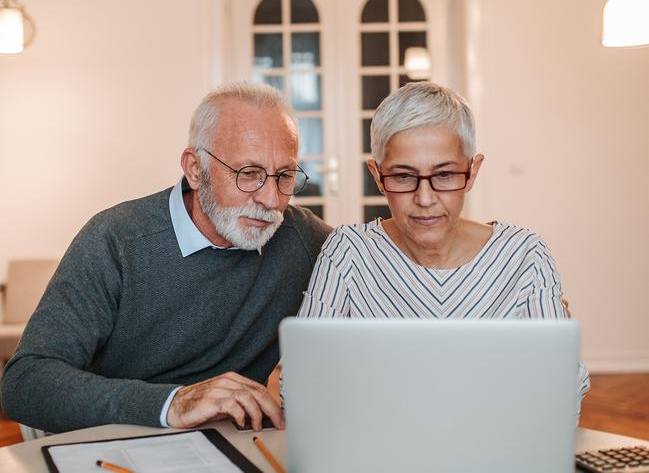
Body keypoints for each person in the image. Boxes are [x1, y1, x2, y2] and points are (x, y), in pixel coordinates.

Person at [0, 82, 331, 433]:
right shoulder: (116, 240)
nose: (269, 198)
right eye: (248, 174)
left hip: (226, 445)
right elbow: (24, 383)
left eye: (284, 176)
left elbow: (374, 253)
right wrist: (173, 402)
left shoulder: (303, 238)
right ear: (194, 168)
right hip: (107, 437)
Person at [297, 81, 590, 417]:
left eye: (446, 175)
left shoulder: (525, 256)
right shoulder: (347, 252)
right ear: (378, 176)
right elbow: (303, 385)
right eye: (404, 177)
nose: (425, 199)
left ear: (473, 171)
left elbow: (562, 394)